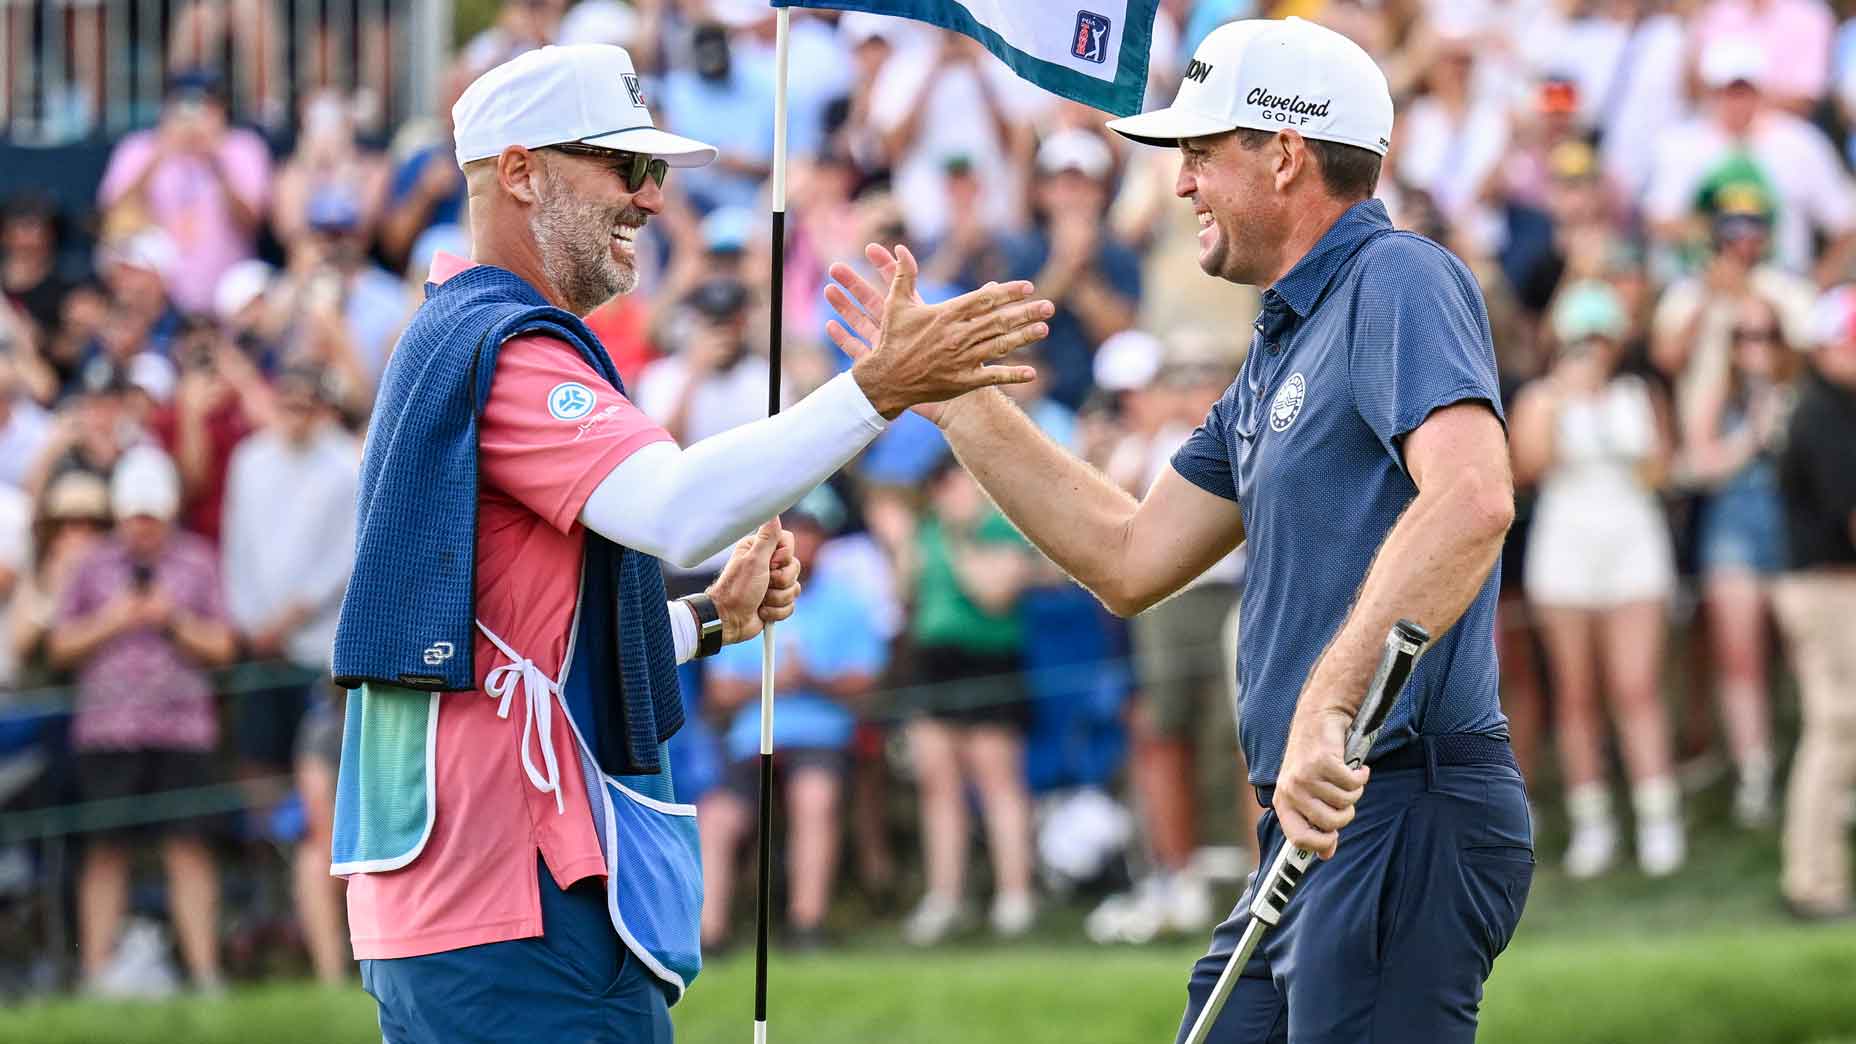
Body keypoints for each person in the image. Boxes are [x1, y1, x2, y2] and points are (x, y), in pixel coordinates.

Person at [330, 43, 1050, 1044]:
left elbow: (522, 644)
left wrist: (711, 620)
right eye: (623, 166)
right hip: (519, 900)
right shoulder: (511, 347)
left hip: (450, 900)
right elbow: (676, 513)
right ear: (521, 171)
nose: (650, 196)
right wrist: (877, 389)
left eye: (655, 171)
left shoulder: (453, 336)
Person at [828, 19, 1530, 1041]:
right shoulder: (1281, 340)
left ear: (1283, 154)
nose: (1178, 185)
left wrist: (1324, 707)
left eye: (1199, 153)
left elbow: (1471, 498)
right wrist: (958, 406)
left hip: (1401, 801)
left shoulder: (1396, 277)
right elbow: (1127, 555)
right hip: (1316, 824)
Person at [48, 446, 238, 993]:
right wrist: (116, 619)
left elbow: (224, 645)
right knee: (105, 851)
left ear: (169, 513)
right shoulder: (90, 564)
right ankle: (95, 977)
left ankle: (206, 977)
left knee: (189, 848)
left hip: (184, 730)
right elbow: (60, 645)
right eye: (134, 518)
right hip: (107, 731)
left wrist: (171, 619)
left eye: (151, 519)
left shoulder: (199, 561)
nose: (142, 530)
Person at [1512, 282, 1683, 879]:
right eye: (1579, 338)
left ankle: (1658, 816)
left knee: (1636, 687)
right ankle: (1593, 823)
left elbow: (1660, 470)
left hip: (1633, 545)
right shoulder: (1541, 399)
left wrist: (1609, 419)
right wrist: (1564, 401)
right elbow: (1529, 466)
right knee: (1576, 692)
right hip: (1566, 551)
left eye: (1599, 338)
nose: (1589, 349)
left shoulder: (1639, 395)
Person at [698, 486, 885, 950]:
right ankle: (709, 934)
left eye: (812, 532)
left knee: (814, 797)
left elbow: (866, 681)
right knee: (717, 817)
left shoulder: (848, 601)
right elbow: (719, 691)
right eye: (796, 531)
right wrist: (777, 681)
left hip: (820, 736)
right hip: (750, 737)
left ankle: (807, 924)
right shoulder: (743, 596)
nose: (803, 542)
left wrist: (812, 680)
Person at [220, 367, 359, 983]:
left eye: (307, 405)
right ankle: (272, 904)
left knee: (318, 790)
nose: (296, 415)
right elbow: (237, 545)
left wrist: (292, 612)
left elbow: (346, 555)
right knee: (258, 776)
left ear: (322, 408)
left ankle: (327, 930)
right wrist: (252, 620)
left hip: (317, 650)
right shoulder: (249, 460)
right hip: (259, 645)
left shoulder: (344, 465)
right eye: (288, 404)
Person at [896, 461, 1039, 946]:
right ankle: (945, 898)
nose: (950, 494)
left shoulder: (1000, 528)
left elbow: (993, 593)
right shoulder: (924, 532)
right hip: (934, 664)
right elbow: (906, 595)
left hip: (988, 660)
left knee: (997, 779)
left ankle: (1015, 897)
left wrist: (958, 539)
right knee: (938, 784)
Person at [1680, 292, 1797, 826]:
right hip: (1734, 528)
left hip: (1796, 528)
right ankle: (1755, 777)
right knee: (1740, 658)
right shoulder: (1717, 391)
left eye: (1767, 334)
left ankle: (1819, 774)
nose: (1757, 347)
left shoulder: (1800, 389)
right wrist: (1752, 433)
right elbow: (1698, 464)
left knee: (1805, 655)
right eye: (1744, 336)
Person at [1771, 286, 1856, 921]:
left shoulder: (1833, 408)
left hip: (1831, 587)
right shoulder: (1824, 416)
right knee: (1836, 730)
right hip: (1828, 590)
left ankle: (1819, 879)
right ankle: (1813, 884)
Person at [94, 69, 271, 316]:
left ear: (221, 108)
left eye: (204, 105)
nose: (192, 116)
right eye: (183, 104)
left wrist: (215, 161)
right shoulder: (139, 147)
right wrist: (159, 153)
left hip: (226, 298)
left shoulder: (242, 147)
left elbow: (251, 222)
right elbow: (114, 216)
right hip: (153, 304)